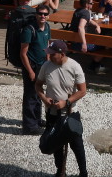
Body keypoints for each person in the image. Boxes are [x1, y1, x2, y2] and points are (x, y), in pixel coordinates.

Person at [35, 40, 88, 177]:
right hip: (52, 113)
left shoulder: (74, 67)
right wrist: (44, 99)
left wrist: (67, 102)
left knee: (77, 145)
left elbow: (82, 91)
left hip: (71, 113)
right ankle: (60, 171)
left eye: (53, 54)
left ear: (62, 54)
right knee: (56, 144)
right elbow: (38, 85)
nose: (50, 56)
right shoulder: (46, 66)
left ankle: (83, 173)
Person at [20, 4, 51, 135]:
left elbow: (48, 44)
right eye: (40, 13)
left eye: (45, 14)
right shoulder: (29, 29)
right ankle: (29, 126)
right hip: (32, 66)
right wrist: (30, 71)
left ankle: (37, 119)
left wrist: (48, 62)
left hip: (42, 65)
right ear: (36, 14)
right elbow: (23, 53)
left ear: (48, 15)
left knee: (38, 93)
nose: (42, 16)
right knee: (30, 95)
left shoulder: (47, 27)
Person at [71, 0, 106, 73]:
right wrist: (84, 44)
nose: (92, 4)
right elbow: (80, 27)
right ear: (87, 4)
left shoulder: (78, 11)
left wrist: (97, 25)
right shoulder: (85, 13)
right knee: (105, 44)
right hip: (79, 43)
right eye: (91, 3)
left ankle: (95, 62)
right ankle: (94, 65)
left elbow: (89, 20)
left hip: (73, 41)